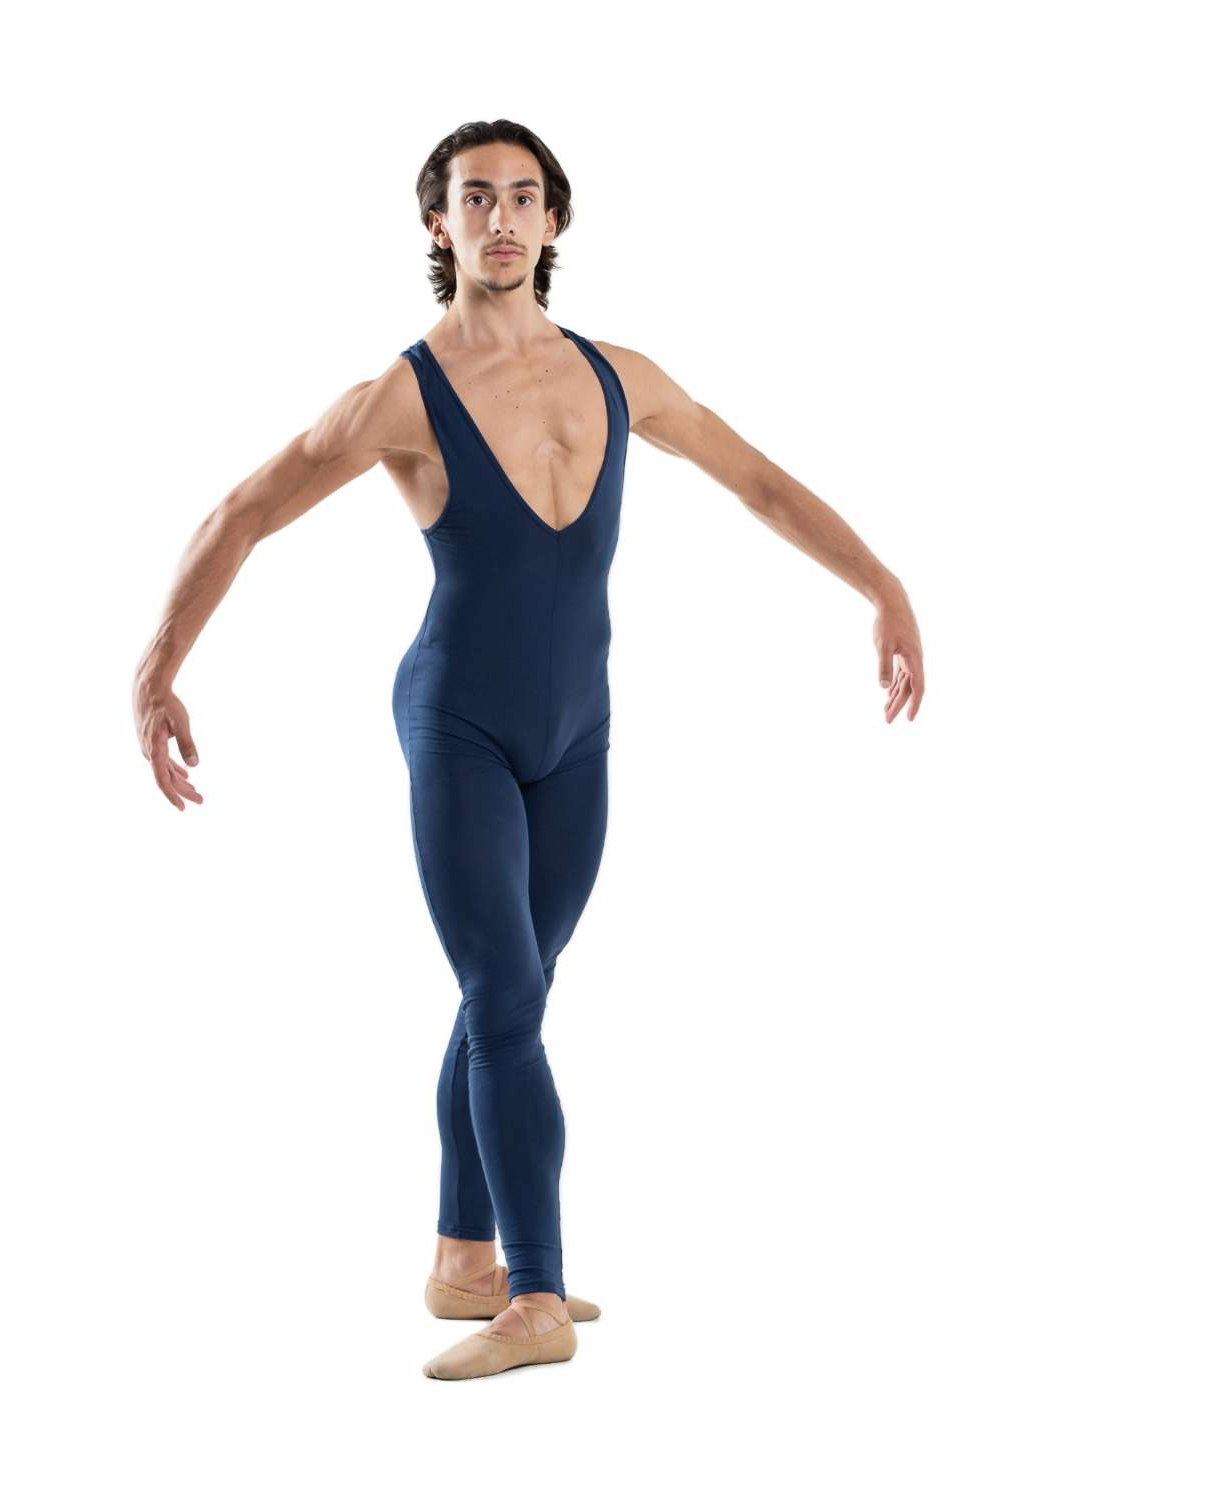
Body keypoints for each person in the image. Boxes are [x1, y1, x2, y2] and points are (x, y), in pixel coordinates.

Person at [131, 119, 926, 1382]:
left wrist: (880, 584)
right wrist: (158, 668)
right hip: (457, 723)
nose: (499, 218)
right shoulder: (402, 395)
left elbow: (759, 482)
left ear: (553, 220)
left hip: (577, 734)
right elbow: (245, 511)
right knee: (504, 998)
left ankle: (462, 1260)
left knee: (510, 996)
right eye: (473, 199)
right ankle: (535, 1294)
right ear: (437, 226)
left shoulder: (619, 376)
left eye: (521, 196)